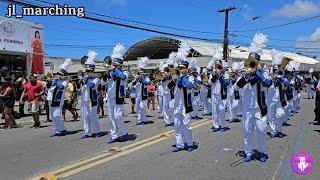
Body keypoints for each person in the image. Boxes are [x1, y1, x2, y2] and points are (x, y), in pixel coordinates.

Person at [106, 44, 129, 143]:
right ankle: (114, 135)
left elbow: (123, 77)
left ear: (120, 65)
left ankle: (123, 133)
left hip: (119, 96)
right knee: (111, 117)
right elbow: (103, 83)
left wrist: (114, 69)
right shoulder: (110, 73)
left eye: (116, 65)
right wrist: (107, 74)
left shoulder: (125, 72)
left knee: (118, 116)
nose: (113, 66)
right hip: (110, 97)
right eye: (113, 64)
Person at [81, 51, 102, 139]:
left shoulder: (96, 79)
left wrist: (85, 80)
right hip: (84, 100)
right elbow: (80, 89)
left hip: (92, 100)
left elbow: (92, 86)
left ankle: (97, 131)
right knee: (85, 117)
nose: (88, 72)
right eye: (87, 71)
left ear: (93, 71)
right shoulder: (84, 79)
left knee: (94, 117)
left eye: (90, 71)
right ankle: (87, 132)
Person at [49, 59, 71, 137]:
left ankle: (63, 129)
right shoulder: (57, 81)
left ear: (64, 75)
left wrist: (56, 80)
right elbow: (51, 88)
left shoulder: (65, 82)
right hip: (52, 99)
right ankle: (57, 130)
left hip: (59, 100)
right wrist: (51, 82)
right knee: (53, 116)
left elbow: (61, 87)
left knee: (57, 116)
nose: (59, 75)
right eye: (58, 74)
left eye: (60, 74)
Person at [209, 54, 230, 132]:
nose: (218, 68)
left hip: (222, 95)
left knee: (221, 110)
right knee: (214, 110)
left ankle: (222, 125)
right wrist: (214, 76)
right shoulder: (212, 74)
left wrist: (220, 76)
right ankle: (216, 125)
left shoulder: (225, 74)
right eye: (217, 66)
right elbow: (210, 83)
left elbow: (227, 83)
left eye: (219, 66)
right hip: (214, 94)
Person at [134, 57, 151, 125]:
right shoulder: (137, 79)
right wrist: (136, 79)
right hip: (137, 95)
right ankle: (139, 120)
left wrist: (142, 79)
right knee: (138, 108)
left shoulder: (146, 78)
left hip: (143, 95)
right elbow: (132, 85)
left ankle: (144, 120)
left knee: (142, 107)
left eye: (141, 72)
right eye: (139, 72)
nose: (140, 73)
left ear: (143, 72)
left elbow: (148, 83)